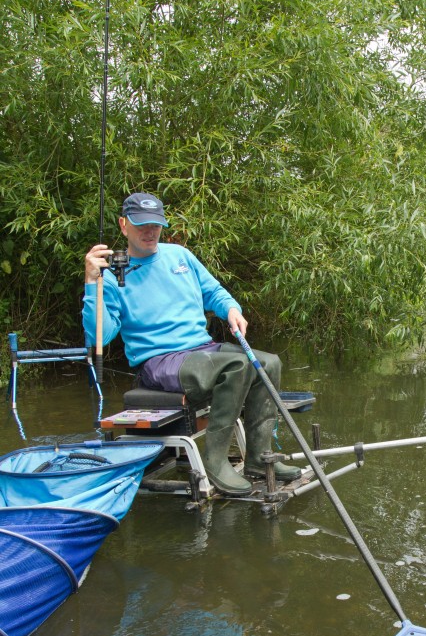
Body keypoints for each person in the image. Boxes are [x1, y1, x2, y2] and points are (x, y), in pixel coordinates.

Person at [82, 191, 301, 496]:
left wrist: (232, 310)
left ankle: (257, 458)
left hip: (202, 349)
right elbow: (98, 338)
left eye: (155, 225)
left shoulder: (179, 256)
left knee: (268, 362)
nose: (150, 232)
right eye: (141, 225)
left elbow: (214, 291)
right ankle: (216, 462)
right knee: (237, 365)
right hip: (161, 360)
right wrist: (92, 282)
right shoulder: (112, 276)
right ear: (123, 225)